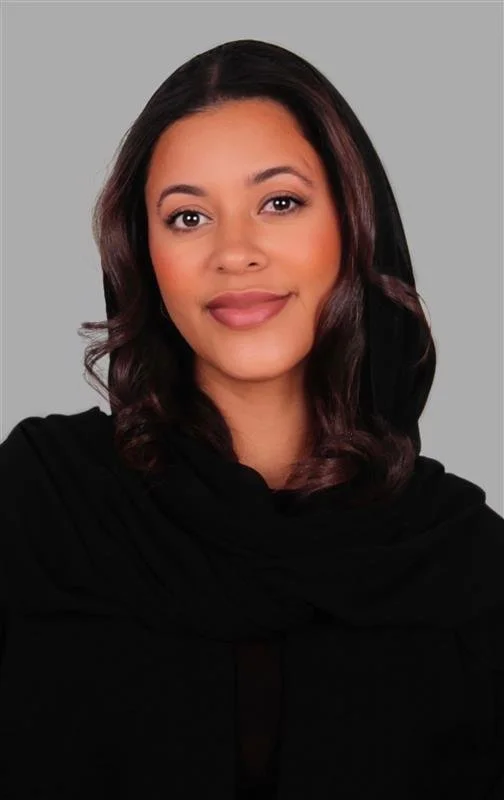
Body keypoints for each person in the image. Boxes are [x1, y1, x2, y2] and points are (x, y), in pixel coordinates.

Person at [0, 38, 503, 800]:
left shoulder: (460, 561)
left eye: (280, 203)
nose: (234, 252)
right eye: (188, 217)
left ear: (354, 223)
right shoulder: (41, 506)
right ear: (144, 255)